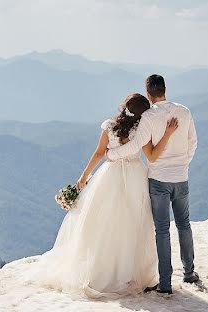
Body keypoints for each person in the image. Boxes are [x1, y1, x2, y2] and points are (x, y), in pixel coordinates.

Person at [34, 93, 179, 298]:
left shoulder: (109, 126)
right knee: (134, 224)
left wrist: (84, 176)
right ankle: (130, 273)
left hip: (109, 175)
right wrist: (168, 134)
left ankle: (103, 271)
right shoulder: (141, 130)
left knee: (105, 224)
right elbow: (152, 156)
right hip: (135, 176)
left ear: (123, 107)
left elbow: (99, 153)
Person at [106, 74, 199, 295]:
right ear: (165, 89)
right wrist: (183, 163)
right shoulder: (184, 112)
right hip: (181, 177)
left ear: (148, 93)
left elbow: (136, 146)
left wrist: (111, 155)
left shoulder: (148, 116)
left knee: (162, 230)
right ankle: (189, 273)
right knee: (184, 225)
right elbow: (193, 142)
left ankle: (165, 284)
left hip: (158, 180)